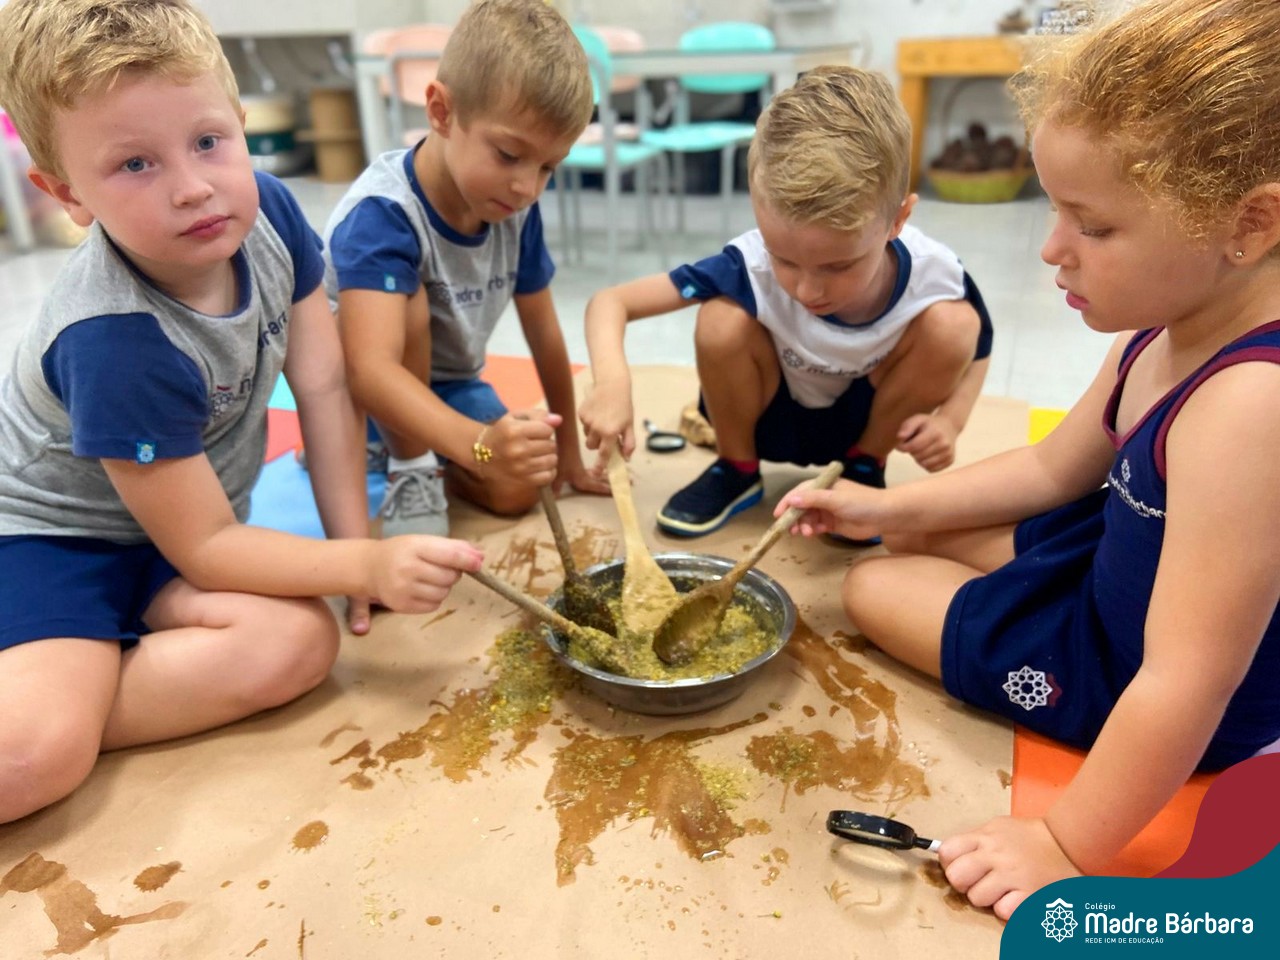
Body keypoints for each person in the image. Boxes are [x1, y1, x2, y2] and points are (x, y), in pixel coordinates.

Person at [777, 0, 1280, 919]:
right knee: (904, 538)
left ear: (1248, 223)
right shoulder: (1167, 324)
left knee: (872, 589)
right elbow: (1053, 471)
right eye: (1055, 210)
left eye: (1093, 226)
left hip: (1134, 670)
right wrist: (880, 507)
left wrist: (1062, 841)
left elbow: (1186, 681)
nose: (1052, 250)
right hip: (1111, 553)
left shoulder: (1251, 407)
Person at [0, 0, 484, 825]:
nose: (194, 188)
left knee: (301, 643)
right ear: (66, 193)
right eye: (135, 164)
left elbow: (323, 388)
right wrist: (366, 569)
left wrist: (356, 554)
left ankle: (73, 685)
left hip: (179, 531)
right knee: (33, 761)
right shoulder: (113, 338)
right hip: (55, 544)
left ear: (241, 123)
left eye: (208, 142)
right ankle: (58, 705)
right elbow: (210, 549)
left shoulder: (268, 213)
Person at [579, 65, 992, 538]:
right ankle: (736, 469)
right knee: (721, 316)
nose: (808, 291)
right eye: (784, 259)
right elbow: (610, 303)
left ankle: (863, 467)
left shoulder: (936, 272)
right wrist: (611, 384)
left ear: (898, 219)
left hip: (864, 420)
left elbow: (978, 344)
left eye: (838, 266)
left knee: (954, 326)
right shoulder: (749, 263)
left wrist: (952, 421)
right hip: (768, 417)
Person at [323, 0, 609, 538]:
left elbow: (545, 334)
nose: (526, 187)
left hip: (449, 386)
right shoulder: (383, 215)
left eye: (548, 168)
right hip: (358, 393)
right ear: (441, 111)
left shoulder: (514, 209)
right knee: (410, 303)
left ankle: (419, 454)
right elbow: (368, 370)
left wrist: (567, 454)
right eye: (508, 155)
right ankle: (406, 460)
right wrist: (479, 446)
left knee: (522, 487)